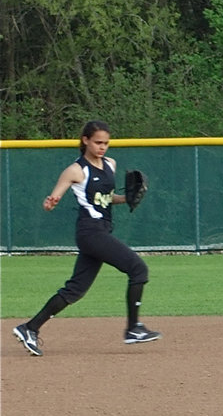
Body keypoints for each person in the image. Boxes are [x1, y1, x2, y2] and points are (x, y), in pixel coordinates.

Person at [12, 120, 161, 357]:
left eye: (106, 143)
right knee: (138, 269)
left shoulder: (110, 164)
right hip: (90, 232)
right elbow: (56, 194)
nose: (103, 147)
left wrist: (127, 198)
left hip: (102, 230)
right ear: (85, 141)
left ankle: (29, 328)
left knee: (75, 290)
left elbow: (106, 198)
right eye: (98, 142)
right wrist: (51, 201)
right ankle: (133, 328)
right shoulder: (76, 170)